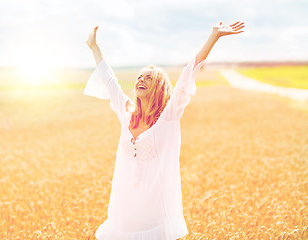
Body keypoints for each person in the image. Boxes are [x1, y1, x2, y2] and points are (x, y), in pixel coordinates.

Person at [85, 21, 245, 240]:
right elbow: (109, 79)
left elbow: (188, 74)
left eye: (149, 78)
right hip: (123, 211)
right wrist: (94, 47)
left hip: (154, 213)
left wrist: (214, 36)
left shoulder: (167, 119)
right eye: (140, 76)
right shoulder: (127, 114)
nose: (141, 79)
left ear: (159, 87)